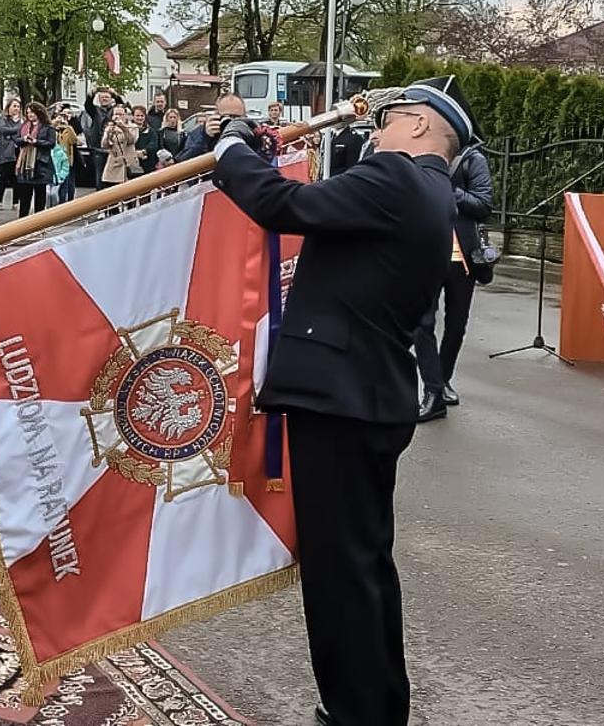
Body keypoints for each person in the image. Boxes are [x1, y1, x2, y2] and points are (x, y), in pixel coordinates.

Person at [208, 75, 473, 726]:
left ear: (418, 124)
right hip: (368, 396)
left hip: (342, 400)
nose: (375, 134)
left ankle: (356, 712)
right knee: (364, 566)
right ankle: (376, 707)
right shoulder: (431, 191)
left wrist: (231, 148)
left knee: (339, 574)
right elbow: (327, 209)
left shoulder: (397, 179)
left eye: (387, 121)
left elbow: (282, 205)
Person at [415, 143, 493, 422]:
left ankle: (443, 379)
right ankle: (433, 390)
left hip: (462, 259)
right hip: (426, 253)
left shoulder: (472, 159)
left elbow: (483, 204)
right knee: (422, 324)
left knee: (456, 324)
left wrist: (448, 190)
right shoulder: (418, 156)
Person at [14, 102, 57, 217]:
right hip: (25, 164)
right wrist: (24, 139)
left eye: (32, 112)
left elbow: (51, 143)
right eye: (28, 113)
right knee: (24, 198)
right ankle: (23, 222)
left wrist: (36, 142)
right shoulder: (24, 126)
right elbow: (16, 140)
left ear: (39, 112)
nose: (30, 115)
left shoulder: (48, 127)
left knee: (40, 198)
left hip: (40, 165)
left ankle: (39, 222)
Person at [178, 93, 248, 163]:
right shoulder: (199, 133)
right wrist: (206, 139)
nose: (231, 121)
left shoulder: (249, 133)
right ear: (216, 115)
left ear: (245, 117)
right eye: (226, 116)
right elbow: (184, 162)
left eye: (236, 117)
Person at [101, 104, 140, 189]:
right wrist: (108, 134)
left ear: (125, 115)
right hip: (114, 162)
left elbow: (132, 140)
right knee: (113, 190)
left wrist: (123, 127)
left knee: (129, 189)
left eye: (121, 114)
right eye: (116, 114)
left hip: (128, 162)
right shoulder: (110, 127)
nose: (118, 117)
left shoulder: (132, 126)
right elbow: (104, 145)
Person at [0, 97, 23, 206]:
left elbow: (23, 134)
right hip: (7, 153)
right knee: (4, 176)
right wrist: (18, 129)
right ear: (9, 107)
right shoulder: (3, 119)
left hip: (18, 151)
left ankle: (16, 201)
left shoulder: (22, 120)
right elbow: (3, 130)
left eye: (18, 106)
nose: (16, 108)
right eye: (14, 106)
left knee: (17, 178)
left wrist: (14, 133)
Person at [54, 106, 80, 203]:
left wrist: (68, 126)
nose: (64, 117)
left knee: (68, 183)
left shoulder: (71, 127)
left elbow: (74, 140)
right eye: (62, 115)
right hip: (55, 159)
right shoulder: (55, 127)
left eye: (68, 114)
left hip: (67, 159)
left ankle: (68, 202)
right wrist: (56, 122)